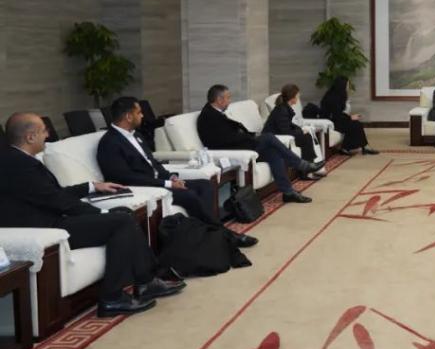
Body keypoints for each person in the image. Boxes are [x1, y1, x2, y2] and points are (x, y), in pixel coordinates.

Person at [0, 113, 185, 317]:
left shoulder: (18, 159)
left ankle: (146, 282)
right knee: (121, 220)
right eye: (44, 130)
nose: (48, 134)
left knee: (123, 214)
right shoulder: (19, 165)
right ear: (30, 137)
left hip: (52, 219)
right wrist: (101, 212)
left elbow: (53, 194)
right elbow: (57, 201)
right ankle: (112, 298)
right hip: (46, 227)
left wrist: (91, 186)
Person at [97, 97, 257, 248]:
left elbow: (154, 164)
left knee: (205, 185)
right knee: (190, 195)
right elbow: (125, 178)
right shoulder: (110, 143)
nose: (142, 115)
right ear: (128, 116)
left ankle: (206, 236)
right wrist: (167, 183)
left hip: (160, 182)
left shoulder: (136, 136)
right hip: (146, 188)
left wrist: (171, 177)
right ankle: (225, 236)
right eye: (139, 112)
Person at [197, 85, 324, 204]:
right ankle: (302, 165)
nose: (229, 101)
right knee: (268, 137)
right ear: (219, 99)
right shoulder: (208, 116)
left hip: (241, 145)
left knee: (274, 154)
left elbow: (231, 134)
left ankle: (288, 192)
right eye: (228, 98)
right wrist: (249, 137)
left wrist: (250, 136)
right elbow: (222, 140)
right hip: (233, 151)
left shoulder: (214, 112)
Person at [265, 84, 327, 178]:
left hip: (281, 135)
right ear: (292, 97)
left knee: (306, 135)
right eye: (297, 95)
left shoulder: (284, 108)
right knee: (305, 138)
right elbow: (285, 131)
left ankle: (310, 167)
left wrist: (301, 130)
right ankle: (307, 171)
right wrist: (301, 132)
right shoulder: (282, 110)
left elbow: (288, 125)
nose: (299, 96)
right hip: (277, 139)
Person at [319, 77, 378, 156]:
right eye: (347, 85)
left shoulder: (337, 95)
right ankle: (349, 148)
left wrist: (350, 117)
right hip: (331, 122)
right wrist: (350, 118)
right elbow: (336, 116)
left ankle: (360, 147)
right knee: (355, 125)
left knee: (356, 124)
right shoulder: (333, 98)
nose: (348, 87)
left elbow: (339, 114)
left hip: (337, 120)